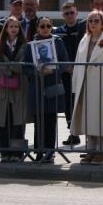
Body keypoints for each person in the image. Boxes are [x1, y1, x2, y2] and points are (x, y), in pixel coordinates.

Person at [71, 10, 103, 165]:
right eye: (90, 21)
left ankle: (101, 152)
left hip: (102, 85)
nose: (93, 23)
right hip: (85, 84)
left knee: (102, 119)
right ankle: (91, 150)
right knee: (88, 118)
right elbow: (78, 63)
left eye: (96, 21)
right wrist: (75, 85)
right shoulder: (84, 39)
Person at [24, 16, 69, 163]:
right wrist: (36, 72)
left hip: (53, 84)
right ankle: (39, 151)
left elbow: (64, 62)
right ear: (37, 28)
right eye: (42, 26)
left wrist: (53, 70)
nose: (45, 29)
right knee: (39, 121)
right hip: (37, 87)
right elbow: (25, 67)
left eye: (48, 26)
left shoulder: (58, 42)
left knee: (51, 120)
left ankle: (50, 152)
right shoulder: (30, 45)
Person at [0, 16, 28, 162]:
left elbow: (23, 65)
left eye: (16, 26)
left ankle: (17, 153)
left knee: (18, 121)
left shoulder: (25, 45)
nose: (13, 29)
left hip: (19, 86)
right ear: (6, 29)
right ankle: (5, 152)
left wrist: (10, 67)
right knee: (3, 120)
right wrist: (9, 70)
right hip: (2, 86)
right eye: (11, 26)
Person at [53, 1, 83, 146]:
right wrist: (65, 66)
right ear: (63, 15)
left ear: (76, 13)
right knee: (67, 103)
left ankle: (85, 132)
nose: (70, 15)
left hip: (81, 70)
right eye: (66, 13)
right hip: (65, 72)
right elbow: (55, 51)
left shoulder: (83, 29)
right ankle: (72, 133)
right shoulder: (58, 31)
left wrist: (76, 66)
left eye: (72, 13)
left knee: (80, 102)